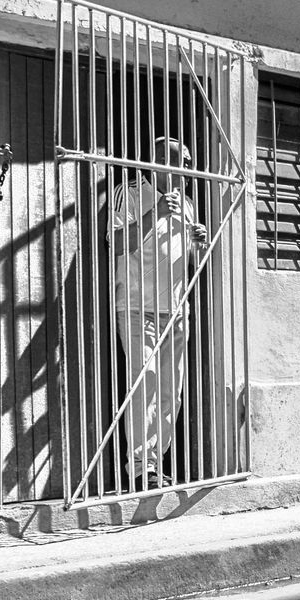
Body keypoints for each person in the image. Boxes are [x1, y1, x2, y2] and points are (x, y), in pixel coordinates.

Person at [108, 136, 208, 491]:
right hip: (137, 307)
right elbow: (116, 243)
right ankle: (141, 467)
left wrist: (199, 243)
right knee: (144, 384)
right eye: (182, 159)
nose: (188, 168)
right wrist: (157, 214)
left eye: (190, 161)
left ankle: (157, 461)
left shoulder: (189, 204)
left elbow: (190, 261)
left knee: (172, 391)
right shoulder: (130, 192)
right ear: (159, 161)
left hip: (177, 309)